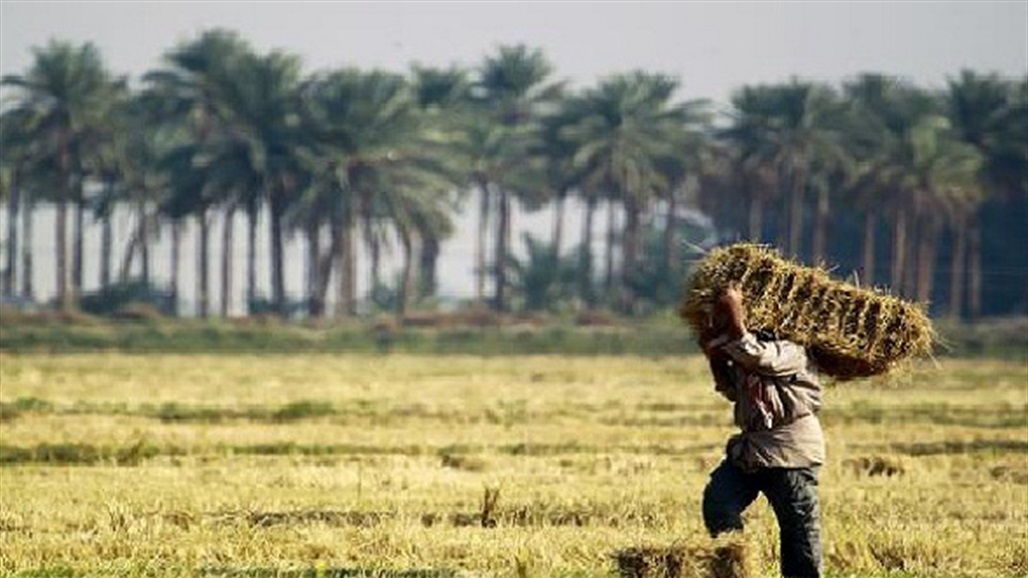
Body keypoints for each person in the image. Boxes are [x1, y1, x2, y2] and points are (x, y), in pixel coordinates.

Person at [698, 283, 825, 578]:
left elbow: (757, 356)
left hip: (790, 451)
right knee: (718, 503)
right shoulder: (745, 355)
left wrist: (733, 313)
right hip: (751, 451)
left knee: (798, 528)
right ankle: (736, 569)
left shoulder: (793, 352)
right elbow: (730, 388)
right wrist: (714, 353)